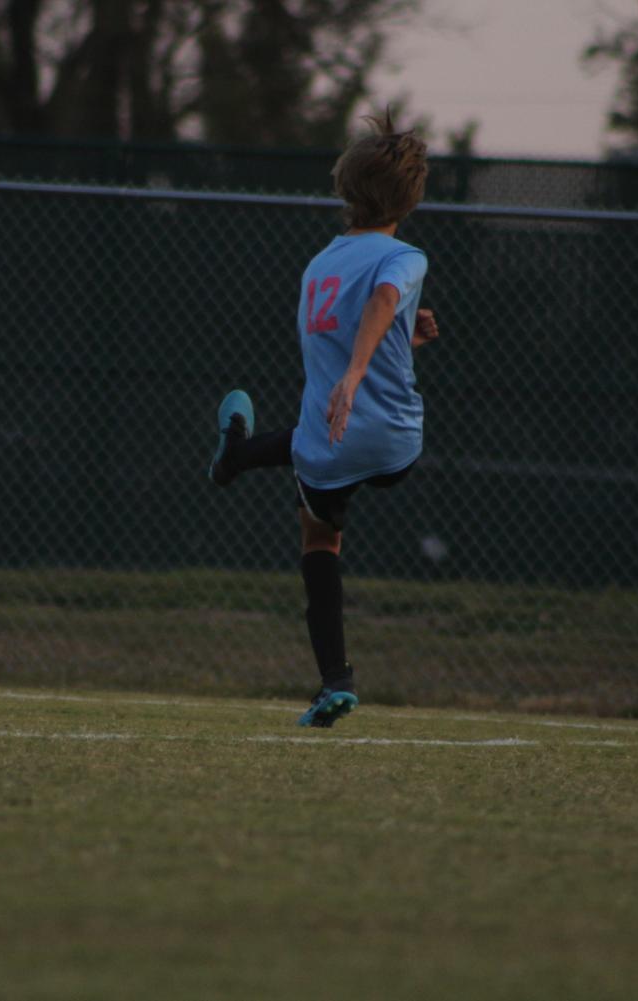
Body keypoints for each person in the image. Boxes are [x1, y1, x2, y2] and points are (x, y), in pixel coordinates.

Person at [207, 109, 439, 728]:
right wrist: (372, 365)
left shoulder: (317, 268)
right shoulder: (407, 256)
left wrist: (361, 367)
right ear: (410, 199)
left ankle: (335, 680)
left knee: (319, 540)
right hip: (396, 446)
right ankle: (238, 455)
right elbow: (384, 301)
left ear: (345, 188)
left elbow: (368, 317)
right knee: (327, 449)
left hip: (330, 445)